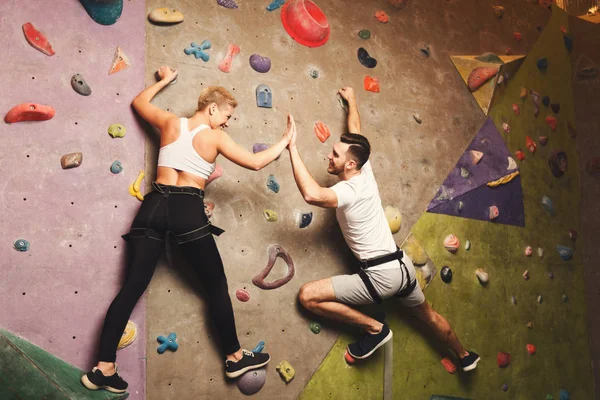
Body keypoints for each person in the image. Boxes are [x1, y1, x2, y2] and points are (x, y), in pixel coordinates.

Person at [82, 66, 293, 393]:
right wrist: (285, 140)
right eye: (227, 114)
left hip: (153, 205)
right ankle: (236, 357)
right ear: (212, 107)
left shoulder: (169, 122)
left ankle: (103, 367)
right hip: (186, 208)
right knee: (216, 286)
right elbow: (255, 162)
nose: (227, 122)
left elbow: (138, 103)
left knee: (132, 287)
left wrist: (164, 80)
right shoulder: (216, 136)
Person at [287, 87, 480, 370]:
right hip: (402, 269)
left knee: (307, 296)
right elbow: (356, 133)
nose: (329, 156)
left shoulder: (350, 189)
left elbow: (313, 195)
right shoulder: (365, 170)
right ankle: (465, 356)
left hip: (380, 277)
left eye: (335, 154)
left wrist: (291, 147)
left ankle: (375, 329)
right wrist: (351, 100)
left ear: (349, 164)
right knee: (429, 316)